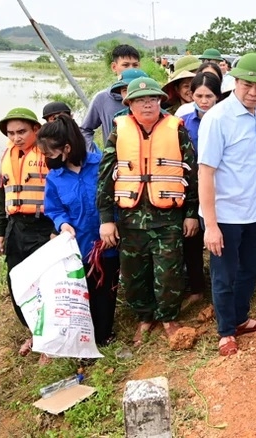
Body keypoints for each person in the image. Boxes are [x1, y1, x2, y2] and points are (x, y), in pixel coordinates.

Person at [97, 77, 199, 345]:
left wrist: (191, 212)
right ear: (129, 104)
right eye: (140, 100)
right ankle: (145, 317)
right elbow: (106, 175)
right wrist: (107, 219)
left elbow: (192, 172)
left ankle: (168, 317)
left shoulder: (176, 129)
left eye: (152, 99)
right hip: (130, 220)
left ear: (160, 103)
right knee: (133, 274)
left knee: (169, 272)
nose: (147, 105)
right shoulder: (119, 131)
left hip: (168, 220)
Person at [198, 54, 256, 356]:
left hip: (254, 212)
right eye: (247, 85)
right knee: (224, 274)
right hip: (225, 215)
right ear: (235, 82)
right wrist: (212, 226)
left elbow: (254, 163)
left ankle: (241, 318)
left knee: (253, 267)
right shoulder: (218, 118)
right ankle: (226, 331)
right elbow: (206, 172)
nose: (254, 92)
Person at [38, 115, 120, 347]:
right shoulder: (55, 178)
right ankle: (83, 339)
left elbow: (117, 198)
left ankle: (104, 336)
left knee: (105, 291)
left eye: (50, 154)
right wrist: (62, 223)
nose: (48, 159)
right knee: (84, 292)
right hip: (78, 245)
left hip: (108, 242)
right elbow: (54, 209)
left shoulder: (101, 164)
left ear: (67, 147)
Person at [0, 108, 57, 359]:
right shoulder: (7, 155)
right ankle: (34, 332)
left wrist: (56, 229)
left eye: (22, 132)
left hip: (43, 227)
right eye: (11, 133)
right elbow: (1, 196)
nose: (16, 137)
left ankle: (50, 340)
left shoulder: (49, 154)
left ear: (36, 130)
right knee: (18, 284)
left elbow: (61, 192)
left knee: (45, 285)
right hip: (15, 228)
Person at [179, 71, 223, 308]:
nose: (204, 101)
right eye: (199, 95)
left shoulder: (225, 118)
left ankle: (221, 289)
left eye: (209, 96)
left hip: (222, 186)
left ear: (217, 96)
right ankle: (197, 287)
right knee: (192, 238)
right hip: (192, 186)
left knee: (219, 237)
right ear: (191, 95)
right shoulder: (184, 123)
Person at [81, 44, 141, 151]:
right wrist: (93, 156)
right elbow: (85, 129)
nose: (131, 69)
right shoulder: (102, 98)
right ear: (114, 67)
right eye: (126, 65)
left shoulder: (151, 97)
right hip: (114, 162)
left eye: (135, 65)